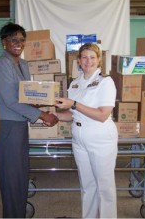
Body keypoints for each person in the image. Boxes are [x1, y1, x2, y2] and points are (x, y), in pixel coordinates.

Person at [0, 22, 59, 218]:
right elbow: (11, 101)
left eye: (21, 40)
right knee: (11, 177)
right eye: (13, 39)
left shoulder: (22, 64)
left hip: (20, 126)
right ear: (4, 42)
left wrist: (43, 102)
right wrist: (43, 115)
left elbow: (26, 96)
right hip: (8, 127)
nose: (18, 43)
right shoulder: (1, 64)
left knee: (21, 175)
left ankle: (18, 213)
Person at [55, 43, 118, 218]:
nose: (88, 61)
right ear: (78, 60)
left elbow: (102, 115)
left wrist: (74, 104)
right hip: (79, 138)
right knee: (87, 185)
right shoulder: (75, 84)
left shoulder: (106, 82)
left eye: (92, 57)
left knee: (104, 187)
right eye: (84, 57)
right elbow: (73, 114)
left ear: (99, 60)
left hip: (100, 137)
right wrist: (54, 116)